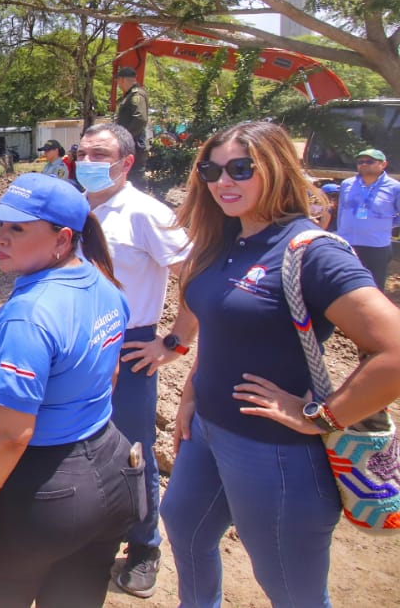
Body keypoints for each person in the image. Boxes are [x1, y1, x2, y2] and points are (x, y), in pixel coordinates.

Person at [161, 121, 400, 608]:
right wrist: (191, 393)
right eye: (211, 170)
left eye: (240, 169)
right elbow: (221, 327)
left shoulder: (312, 253)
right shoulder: (224, 239)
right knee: (184, 528)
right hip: (206, 430)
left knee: (294, 592)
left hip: (274, 451)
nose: (223, 182)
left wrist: (323, 416)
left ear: (275, 169)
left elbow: (394, 350)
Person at [0, 173, 144, 607]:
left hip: (40, 490)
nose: (0, 239)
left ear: (62, 238)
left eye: (17, 229)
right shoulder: (103, 284)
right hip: (111, 470)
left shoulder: (30, 315)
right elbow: (109, 375)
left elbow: (10, 434)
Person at [74, 122, 194, 599]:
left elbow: (196, 276)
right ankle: (90, 534)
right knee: (81, 443)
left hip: (130, 345)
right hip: (78, 343)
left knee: (133, 450)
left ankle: (145, 546)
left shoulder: (145, 213)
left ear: (126, 162)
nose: (87, 160)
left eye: (99, 152)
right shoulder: (76, 208)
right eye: (82, 151)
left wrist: (174, 343)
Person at [333, 147, 400, 290]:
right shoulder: (347, 184)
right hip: (347, 243)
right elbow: (341, 212)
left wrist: (386, 224)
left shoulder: (394, 188)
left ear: (383, 164)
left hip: (376, 245)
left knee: (373, 287)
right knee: (344, 285)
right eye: (360, 161)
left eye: (369, 161)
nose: (363, 164)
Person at [115, 65, 150, 188]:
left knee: (135, 178)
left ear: (123, 79)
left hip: (134, 144)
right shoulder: (130, 95)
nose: (118, 85)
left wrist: (125, 137)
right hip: (130, 144)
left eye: (118, 81)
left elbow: (140, 119)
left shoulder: (136, 95)